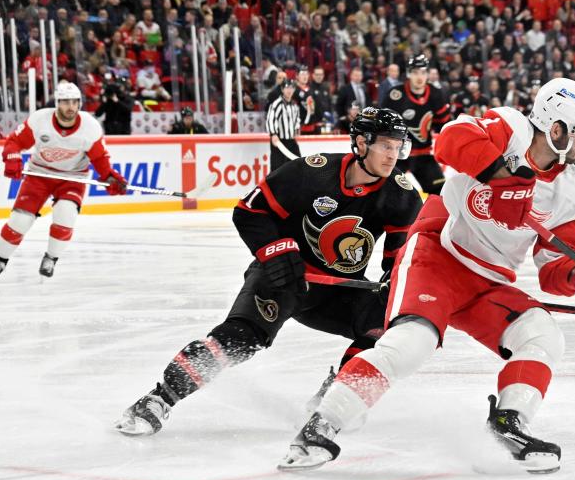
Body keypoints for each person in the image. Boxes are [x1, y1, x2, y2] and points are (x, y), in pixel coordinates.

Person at [279, 78, 575, 475]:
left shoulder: (573, 192)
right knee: (412, 343)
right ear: (557, 127)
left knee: (543, 336)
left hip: (490, 283)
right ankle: (322, 424)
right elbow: (449, 139)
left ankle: (509, 422)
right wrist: (500, 176)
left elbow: (553, 268)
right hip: (437, 255)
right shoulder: (510, 129)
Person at [115, 108, 423, 437]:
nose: (393, 155)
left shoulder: (401, 195)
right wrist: (277, 251)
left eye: (397, 147)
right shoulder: (313, 173)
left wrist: (396, 284)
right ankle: (159, 398)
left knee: (387, 329)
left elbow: (401, 259)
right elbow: (250, 210)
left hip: (338, 290)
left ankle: (336, 398)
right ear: (361, 143)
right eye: (385, 146)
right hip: (282, 278)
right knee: (240, 339)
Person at [0, 82, 127, 280]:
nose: (71, 107)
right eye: (66, 102)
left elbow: (100, 158)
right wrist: (12, 157)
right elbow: (14, 142)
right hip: (39, 174)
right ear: (57, 103)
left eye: (75, 102)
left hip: (73, 177)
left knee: (65, 215)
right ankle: (0, 259)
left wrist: (110, 177)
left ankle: (51, 258)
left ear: (79, 103)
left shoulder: (90, 127)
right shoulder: (40, 120)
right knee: (20, 220)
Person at [380, 54, 451, 194]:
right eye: (415, 72)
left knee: (441, 192)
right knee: (384, 192)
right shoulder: (395, 95)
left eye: (423, 72)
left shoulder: (436, 94)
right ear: (408, 73)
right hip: (396, 155)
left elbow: (443, 125)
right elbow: (382, 126)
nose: (420, 77)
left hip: (423, 154)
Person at [265, 79, 307, 171]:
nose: (289, 90)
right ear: (282, 89)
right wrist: (273, 134)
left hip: (291, 141)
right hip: (279, 141)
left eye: (291, 88)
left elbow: (296, 119)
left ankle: (296, 184)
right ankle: (275, 185)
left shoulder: (294, 105)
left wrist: (296, 129)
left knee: (298, 164)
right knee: (277, 167)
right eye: (287, 88)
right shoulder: (277, 104)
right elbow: (271, 118)